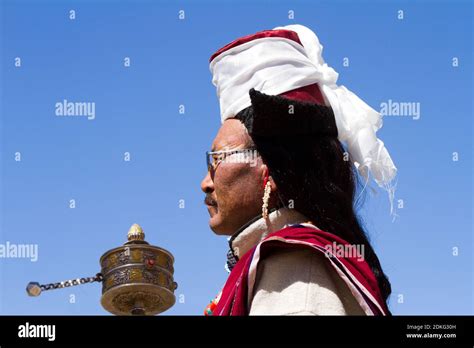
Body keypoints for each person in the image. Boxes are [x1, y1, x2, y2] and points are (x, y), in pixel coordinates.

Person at [200, 24, 397, 316]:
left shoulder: (294, 272)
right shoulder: (280, 265)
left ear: (270, 170)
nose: (206, 182)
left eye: (218, 158)